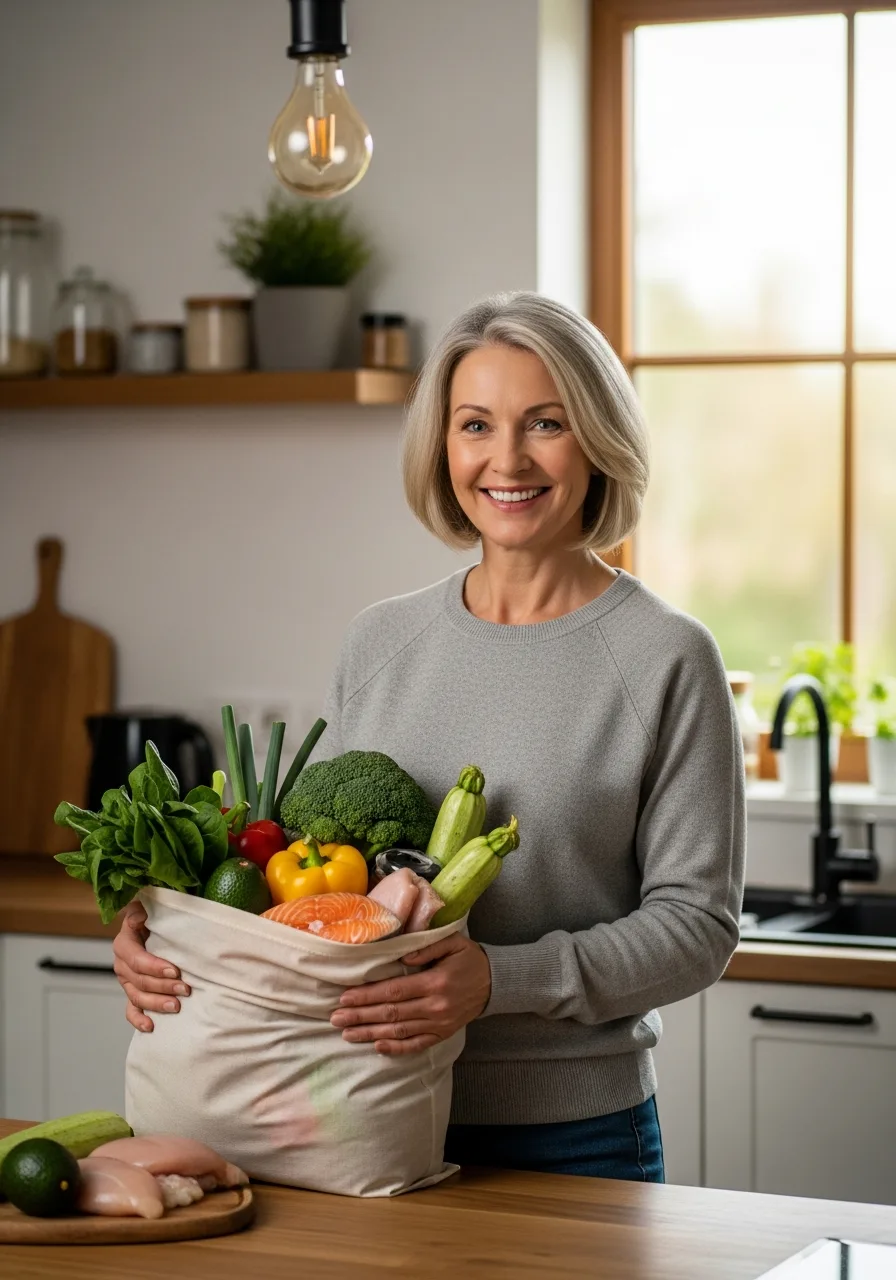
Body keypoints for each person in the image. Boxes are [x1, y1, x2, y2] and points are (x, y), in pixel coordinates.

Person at [113, 291, 746, 1183]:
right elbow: (307, 889)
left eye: (546, 423)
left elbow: (698, 928)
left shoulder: (666, 657)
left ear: (596, 439)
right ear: (443, 446)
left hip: (567, 1137)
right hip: (362, 1110)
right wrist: (171, 938)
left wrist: (498, 979)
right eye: (475, 424)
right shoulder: (380, 641)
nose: (507, 459)